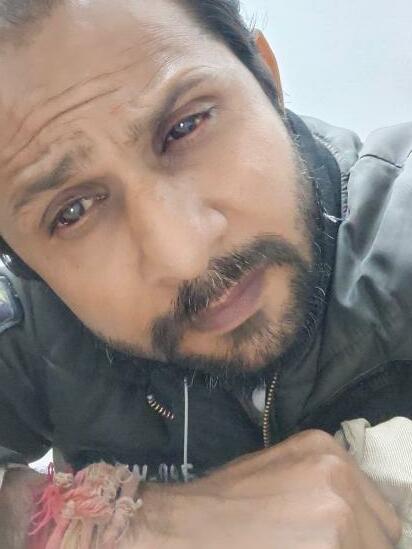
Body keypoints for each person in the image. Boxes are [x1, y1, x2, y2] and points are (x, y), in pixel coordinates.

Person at [0, 0, 409, 546]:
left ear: (266, 78)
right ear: (24, 262)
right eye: (73, 212)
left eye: (185, 127)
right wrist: (137, 523)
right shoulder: (32, 329)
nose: (184, 255)